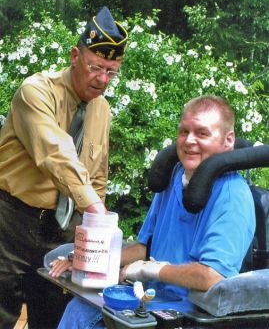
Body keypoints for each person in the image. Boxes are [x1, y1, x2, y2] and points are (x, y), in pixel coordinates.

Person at [50, 95, 256, 329]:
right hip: (148, 299)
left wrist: (151, 269)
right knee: (78, 309)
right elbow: (145, 248)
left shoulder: (232, 196)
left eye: (202, 133)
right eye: (184, 132)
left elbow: (213, 276)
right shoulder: (173, 179)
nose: (189, 141)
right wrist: (85, 261)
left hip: (187, 312)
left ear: (228, 141)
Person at [0, 6, 128, 329]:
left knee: (54, 316)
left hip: (61, 229)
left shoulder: (103, 112)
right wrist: (96, 208)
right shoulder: (36, 92)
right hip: (10, 221)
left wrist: (92, 239)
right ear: (75, 56)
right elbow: (57, 155)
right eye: (96, 67)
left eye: (112, 72)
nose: (103, 80)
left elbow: (96, 177)